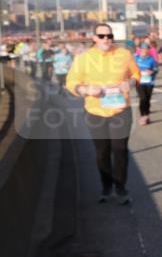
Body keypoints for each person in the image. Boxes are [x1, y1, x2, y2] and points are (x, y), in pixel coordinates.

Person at [66, 23, 141, 204]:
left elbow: (136, 74)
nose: (106, 39)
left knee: (120, 149)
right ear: (94, 38)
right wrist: (85, 89)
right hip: (95, 111)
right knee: (102, 151)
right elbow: (71, 82)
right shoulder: (83, 58)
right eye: (101, 36)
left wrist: (130, 84)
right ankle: (106, 186)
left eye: (109, 36)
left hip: (120, 110)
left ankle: (120, 187)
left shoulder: (124, 54)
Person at [134, 43, 157, 125]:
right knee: (142, 98)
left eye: (146, 49)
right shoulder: (136, 58)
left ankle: (146, 115)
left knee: (147, 99)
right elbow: (131, 69)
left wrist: (152, 71)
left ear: (148, 50)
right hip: (139, 82)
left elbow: (156, 69)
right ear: (140, 49)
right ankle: (142, 116)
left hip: (149, 82)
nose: (144, 50)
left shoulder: (151, 59)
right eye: (143, 49)